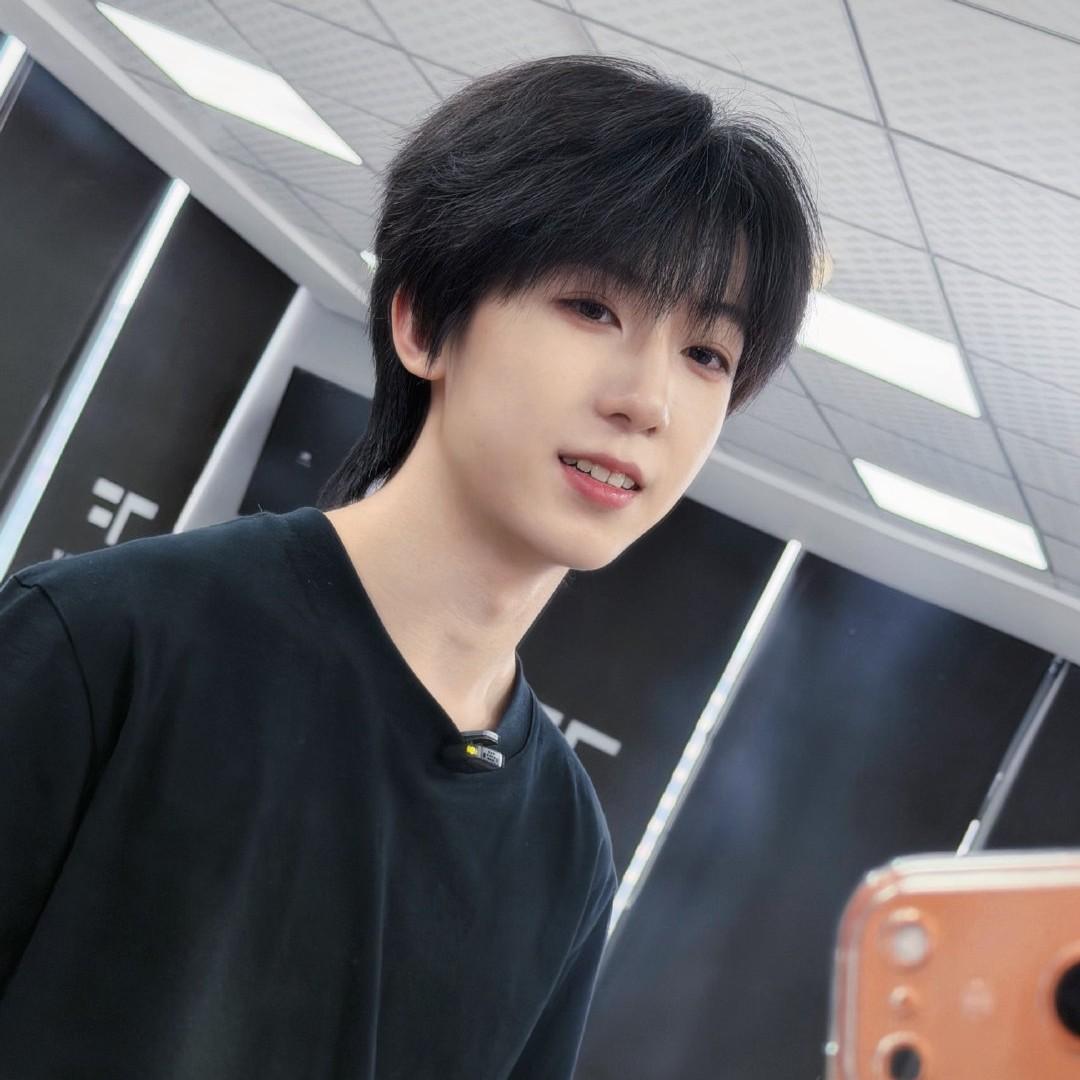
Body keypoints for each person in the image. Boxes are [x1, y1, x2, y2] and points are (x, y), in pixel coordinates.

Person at [0, 54, 823, 1078]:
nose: (648, 400)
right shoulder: (108, 641)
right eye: (593, 308)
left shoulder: (564, 850)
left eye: (708, 355)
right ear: (425, 322)